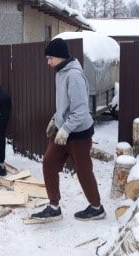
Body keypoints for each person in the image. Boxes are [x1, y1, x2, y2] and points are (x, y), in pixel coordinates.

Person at [30, 38, 105, 222]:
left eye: (50, 58)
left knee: (83, 170)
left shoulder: (74, 76)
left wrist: (65, 129)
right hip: (63, 129)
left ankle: (96, 208)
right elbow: (64, 104)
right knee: (49, 163)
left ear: (61, 57)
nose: (48, 62)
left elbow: (80, 110)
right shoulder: (60, 73)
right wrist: (55, 119)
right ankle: (54, 207)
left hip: (78, 133)